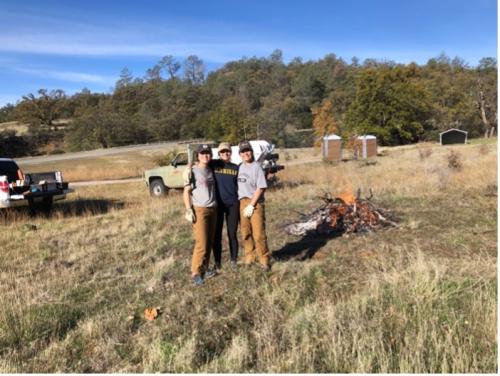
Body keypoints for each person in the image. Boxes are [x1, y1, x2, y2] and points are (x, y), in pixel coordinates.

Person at [183, 144, 218, 286]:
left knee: (209, 242)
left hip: (213, 209)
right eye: (202, 153)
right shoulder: (193, 171)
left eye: (207, 153)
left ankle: (205, 268)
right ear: (198, 155)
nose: (205, 155)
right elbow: (186, 191)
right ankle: (195, 273)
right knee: (201, 243)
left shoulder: (211, 169)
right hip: (200, 210)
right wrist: (188, 209)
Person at [237, 140, 271, 271]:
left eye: (248, 151)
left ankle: (264, 259)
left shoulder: (257, 167)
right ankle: (250, 256)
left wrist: (251, 205)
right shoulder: (240, 167)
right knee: (246, 232)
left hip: (255, 203)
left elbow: (261, 187)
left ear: (251, 152)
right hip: (242, 202)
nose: (246, 153)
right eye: (243, 151)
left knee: (258, 234)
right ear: (240, 154)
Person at [211, 142, 239, 271]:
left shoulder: (235, 168)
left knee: (232, 233)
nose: (225, 154)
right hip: (218, 205)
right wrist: (189, 166)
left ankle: (234, 260)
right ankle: (217, 262)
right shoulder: (214, 165)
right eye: (222, 152)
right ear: (219, 154)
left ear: (230, 152)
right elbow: (199, 164)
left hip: (232, 204)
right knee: (216, 235)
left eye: (227, 151)